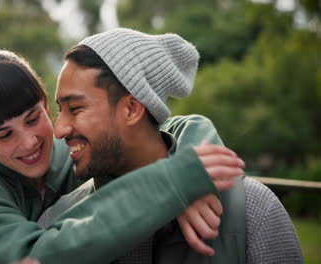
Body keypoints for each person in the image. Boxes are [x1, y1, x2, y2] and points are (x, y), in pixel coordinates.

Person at [0, 49, 244, 264]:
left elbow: (170, 128)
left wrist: (192, 169)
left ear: (46, 104)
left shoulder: (71, 153)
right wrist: (171, 186)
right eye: (5, 134)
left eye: (33, 118)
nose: (29, 142)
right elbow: (38, 255)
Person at [39, 28, 304, 263]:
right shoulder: (56, 224)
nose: (59, 129)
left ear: (131, 108)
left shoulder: (252, 211)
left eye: (75, 108)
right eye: (60, 110)